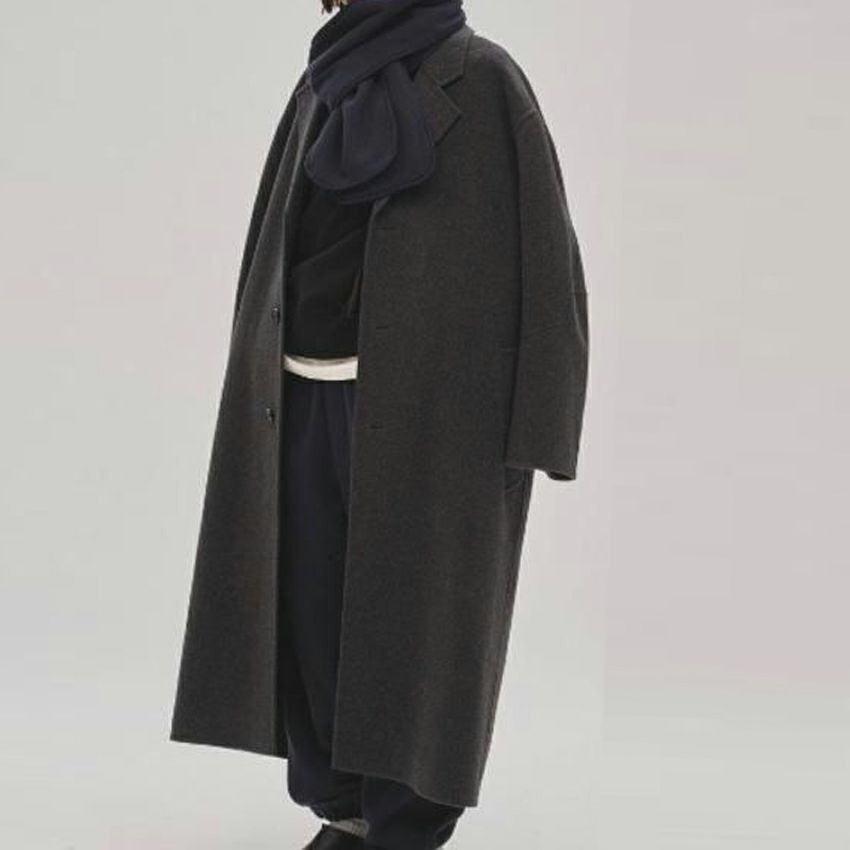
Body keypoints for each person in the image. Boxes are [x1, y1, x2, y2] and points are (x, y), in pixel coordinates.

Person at [170, 1, 589, 848]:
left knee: (420, 628)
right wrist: (249, 373)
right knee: (313, 617)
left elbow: (550, 258)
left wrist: (545, 427)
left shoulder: (486, 79)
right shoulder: (320, 84)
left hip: (438, 418)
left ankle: (406, 825)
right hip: (298, 395)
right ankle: (346, 813)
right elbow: (272, 242)